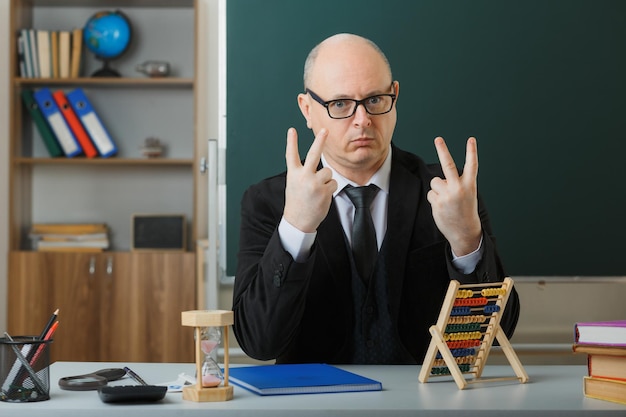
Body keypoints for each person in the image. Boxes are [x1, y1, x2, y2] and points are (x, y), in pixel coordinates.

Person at [232, 33, 519, 364]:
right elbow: (258, 342)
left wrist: (468, 240)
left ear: (394, 96)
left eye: (375, 100)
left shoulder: (448, 194)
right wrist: (296, 227)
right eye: (340, 104)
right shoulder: (266, 202)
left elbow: (500, 333)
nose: (363, 120)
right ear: (307, 109)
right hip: (313, 404)